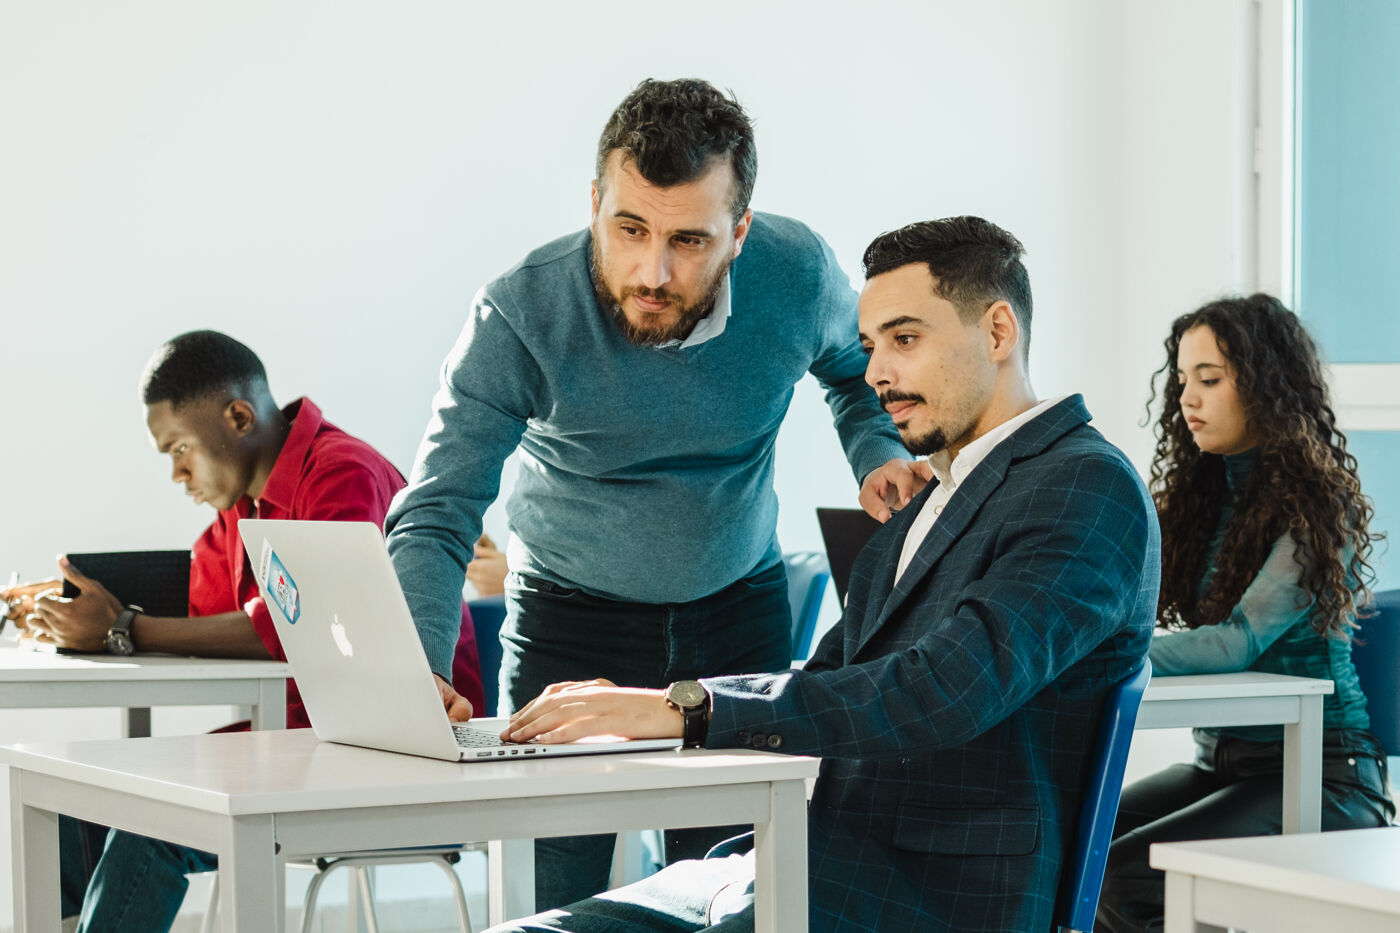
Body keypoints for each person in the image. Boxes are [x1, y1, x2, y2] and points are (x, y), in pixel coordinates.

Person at [482, 216, 1161, 932]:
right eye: (870, 347)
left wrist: (688, 705)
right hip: (809, 867)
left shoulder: (1085, 488)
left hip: (916, 900)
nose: (874, 375)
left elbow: (944, 688)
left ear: (997, 332)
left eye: (905, 339)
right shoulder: (936, 494)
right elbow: (830, 674)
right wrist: (639, 709)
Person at [384, 77, 922, 906]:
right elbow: (436, 509)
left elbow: (856, 373)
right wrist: (416, 665)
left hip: (737, 614)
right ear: (594, 201)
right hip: (568, 625)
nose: (653, 270)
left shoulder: (797, 273)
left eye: (690, 240)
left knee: (729, 894)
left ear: (740, 231)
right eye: (628, 228)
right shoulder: (520, 311)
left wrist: (876, 452)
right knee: (545, 895)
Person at [7, 330, 484, 933]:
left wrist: (124, 628)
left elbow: (289, 628)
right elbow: (201, 617)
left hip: (392, 749)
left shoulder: (342, 475)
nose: (177, 473)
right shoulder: (239, 508)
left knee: (150, 821)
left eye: (179, 448)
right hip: (296, 738)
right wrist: (81, 609)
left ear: (237, 416)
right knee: (76, 806)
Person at [1095, 295, 1395, 933]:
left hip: (1324, 776)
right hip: (1220, 766)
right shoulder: (1199, 496)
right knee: (1076, 838)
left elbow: (1235, 643)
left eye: (1209, 379)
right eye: (1182, 382)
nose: (1187, 399)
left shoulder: (1320, 506)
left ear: (1267, 387)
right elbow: (1125, 606)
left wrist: (1100, 651)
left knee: (1123, 873)